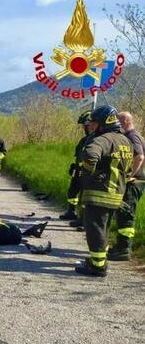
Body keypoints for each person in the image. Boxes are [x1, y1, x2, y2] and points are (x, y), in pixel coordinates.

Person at [77, 105, 132, 277]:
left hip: (99, 193)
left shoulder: (102, 139)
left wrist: (89, 173)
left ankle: (97, 266)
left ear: (103, 122)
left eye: (94, 122)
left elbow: (90, 156)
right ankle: (99, 261)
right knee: (104, 229)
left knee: (95, 230)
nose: (91, 126)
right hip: (116, 194)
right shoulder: (125, 141)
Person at [108, 111, 145, 261]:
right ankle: (121, 246)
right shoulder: (136, 135)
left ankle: (124, 249)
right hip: (139, 180)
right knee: (124, 213)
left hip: (134, 182)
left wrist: (130, 175)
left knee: (126, 215)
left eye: (118, 122)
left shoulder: (131, 136)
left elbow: (140, 156)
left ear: (125, 122)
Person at [59, 110, 93, 222]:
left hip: (87, 172)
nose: (84, 128)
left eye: (85, 126)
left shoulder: (96, 140)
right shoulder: (84, 140)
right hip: (79, 171)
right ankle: (71, 211)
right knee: (73, 190)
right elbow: (79, 155)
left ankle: (83, 218)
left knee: (84, 195)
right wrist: (75, 166)